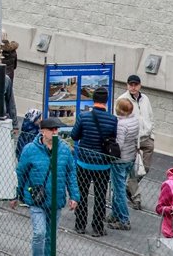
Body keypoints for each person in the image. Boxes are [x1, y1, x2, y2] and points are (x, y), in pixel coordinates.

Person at [12, 117, 80, 256]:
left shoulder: (65, 150)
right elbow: (20, 173)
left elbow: (71, 174)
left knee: (50, 236)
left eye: (57, 129)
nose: (55, 132)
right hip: (37, 199)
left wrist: (74, 196)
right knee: (39, 233)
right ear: (43, 131)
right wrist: (14, 195)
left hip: (56, 199)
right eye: (52, 129)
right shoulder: (30, 150)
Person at [70, 87, 118, 237]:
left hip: (84, 163)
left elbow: (74, 136)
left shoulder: (83, 117)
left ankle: (80, 225)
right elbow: (113, 139)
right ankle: (97, 227)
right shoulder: (113, 119)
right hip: (103, 165)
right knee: (100, 196)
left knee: (82, 194)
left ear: (93, 100)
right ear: (106, 101)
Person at [118, 74, 155, 210]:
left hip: (146, 138)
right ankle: (136, 197)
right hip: (132, 140)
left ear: (140, 85)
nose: (133, 87)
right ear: (127, 85)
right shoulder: (122, 99)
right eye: (130, 84)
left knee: (144, 168)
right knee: (134, 170)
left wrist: (152, 135)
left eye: (135, 85)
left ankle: (129, 187)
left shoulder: (145, 99)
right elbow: (119, 120)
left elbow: (150, 117)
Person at [109, 96, 139, 230]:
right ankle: (114, 214)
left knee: (119, 190)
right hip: (130, 158)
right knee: (118, 187)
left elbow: (118, 145)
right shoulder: (135, 120)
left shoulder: (121, 125)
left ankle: (124, 219)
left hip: (120, 160)